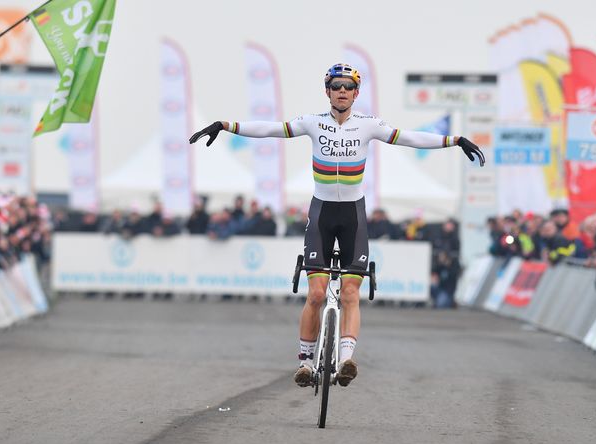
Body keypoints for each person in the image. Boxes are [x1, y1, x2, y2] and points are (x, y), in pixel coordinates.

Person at [190, 63, 485, 388]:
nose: (342, 91)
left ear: (356, 93)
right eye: (336, 86)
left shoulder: (368, 124)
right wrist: (224, 125)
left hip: (353, 216)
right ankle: (304, 362)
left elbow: (409, 138)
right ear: (327, 91)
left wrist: (455, 140)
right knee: (315, 294)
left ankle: (346, 359)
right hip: (322, 214)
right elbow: (271, 129)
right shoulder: (313, 122)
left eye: (348, 87)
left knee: (350, 292)